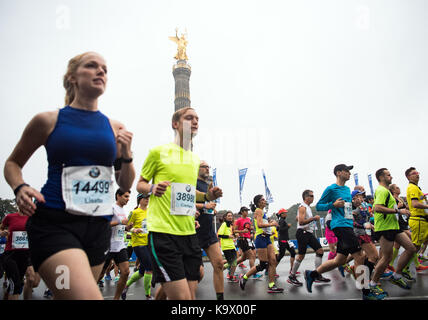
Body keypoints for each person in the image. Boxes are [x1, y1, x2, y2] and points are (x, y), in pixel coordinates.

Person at [3, 52, 136, 299]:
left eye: (105, 69)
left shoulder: (115, 127)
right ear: (72, 77)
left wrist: (126, 154)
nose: (101, 72)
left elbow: (125, 183)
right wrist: (19, 187)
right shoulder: (48, 121)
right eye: (92, 66)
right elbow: (12, 163)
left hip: (98, 228)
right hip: (55, 223)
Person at [136, 107, 222, 300]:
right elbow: (140, 184)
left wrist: (208, 196)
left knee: (190, 296)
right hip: (164, 234)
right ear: (175, 124)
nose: (195, 121)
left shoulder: (193, 159)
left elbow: (191, 194)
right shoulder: (158, 152)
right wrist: (152, 188)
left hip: (189, 234)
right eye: (189, 118)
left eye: (197, 118)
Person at [306, 164, 381, 300]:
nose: (349, 174)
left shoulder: (347, 189)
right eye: (347, 171)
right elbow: (319, 206)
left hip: (348, 224)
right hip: (340, 226)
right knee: (360, 256)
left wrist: (354, 205)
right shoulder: (331, 189)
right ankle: (366, 292)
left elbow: (347, 207)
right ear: (339, 173)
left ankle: (312, 274)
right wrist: (333, 205)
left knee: (339, 260)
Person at [369, 168, 416, 292]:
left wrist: (401, 212)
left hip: (394, 227)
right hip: (385, 228)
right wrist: (398, 210)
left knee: (411, 248)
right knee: (386, 258)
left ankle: (397, 275)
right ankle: (373, 284)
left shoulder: (386, 191)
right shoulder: (381, 190)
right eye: (388, 175)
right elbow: (377, 208)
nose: (391, 177)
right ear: (381, 177)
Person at [239, 195, 284, 293]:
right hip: (261, 238)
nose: (265, 200)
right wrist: (271, 224)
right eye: (263, 199)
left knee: (272, 261)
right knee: (263, 264)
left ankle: (271, 285)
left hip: (267, 238)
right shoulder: (258, 211)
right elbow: (259, 224)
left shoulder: (262, 211)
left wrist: (270, 221)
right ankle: (244, 277)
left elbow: (263, 223)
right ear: (259, 202)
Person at [194, 160, 225, 300]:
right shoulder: (191, 183)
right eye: (204, 166)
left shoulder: (208, 186)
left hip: (209, 232)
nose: (207, 169)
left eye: (208, 167)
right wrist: (204, 206)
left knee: (219, 264)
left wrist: (212, 207)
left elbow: (208, 204)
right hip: (193, 231)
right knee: (197, 273)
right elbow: (185, 203)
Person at [289, 190, 329, 287]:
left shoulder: (307, 208)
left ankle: (317, 274)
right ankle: (292, 276)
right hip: (302, 233)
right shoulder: (303, 207)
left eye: (313, 195)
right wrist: (313, 218)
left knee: (320, 251)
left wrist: (299, 218)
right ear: (306, 197)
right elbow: (302, 222)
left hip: (308, 233)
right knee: (301, 256)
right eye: (311, 196)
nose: (313, 197)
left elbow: (298, 219)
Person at [97, 189, 131, 300]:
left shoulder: (123, 210)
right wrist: (120, 222)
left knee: (126, 272)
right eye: (126, 196)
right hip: (108, 246)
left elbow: (122, 227)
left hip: (120, 246)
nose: (128, 199)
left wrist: (129, 228)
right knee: (100, 274)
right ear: (118, 196)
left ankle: (116, 298)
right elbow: (105, 224)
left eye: (129, 196)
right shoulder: (111, 208)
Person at [0, 210, 40, 300]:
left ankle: (7, 295)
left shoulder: (33, 218)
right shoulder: (10, 217)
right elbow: (1, 228)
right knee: (16, 285)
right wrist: (1, 233)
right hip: (11, 254)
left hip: (26, 255)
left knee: (27, 281)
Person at [121, 193, 153, 300]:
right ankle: (148, 295)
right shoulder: (134, 212)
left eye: (148, 198)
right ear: (139, 200)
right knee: (150, 268)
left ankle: (126, 286)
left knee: (141, 272)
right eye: (145, 198)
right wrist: (134, 229)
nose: (147, 200)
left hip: (148, 243)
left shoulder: (151, 211)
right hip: (138, 244)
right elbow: (126, 227)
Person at [351, 190, 380, 292]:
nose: (361, 198)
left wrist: (371, 225)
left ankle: (362, 282)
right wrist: (363, 225)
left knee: (362, 258)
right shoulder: (352, 208)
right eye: (359, 196)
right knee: (373, 256)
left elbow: (365, 220)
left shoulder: (362, 206)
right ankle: (365, 282)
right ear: (353, 198)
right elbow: (351, 221)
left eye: (362, 196)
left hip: (363, 233)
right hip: (359, 234)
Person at [387, 184, 413, 276]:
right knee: (413, 244)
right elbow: (393, 210)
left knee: (397, 246)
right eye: (397, 187)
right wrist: (398, 206)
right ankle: (414, 266)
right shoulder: (392, 199)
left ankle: (390, 264)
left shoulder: (400, 199)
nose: (399, 188)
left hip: (404, 223)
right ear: (393, 190)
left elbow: (406, 209)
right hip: (399, 224)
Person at [405, 167, 428, 273]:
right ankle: (404, 269)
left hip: (422, 220)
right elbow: (414, 204)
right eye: (414, 173)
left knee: (416, 246)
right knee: (414, 247)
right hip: (418, 220)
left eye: (417, 172)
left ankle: (407, 267)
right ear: (408, 177)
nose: (417, 174)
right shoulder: (412, 188)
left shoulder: (416, 187)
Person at [235, 207, 259, 278]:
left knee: (243, 258)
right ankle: (253, 274)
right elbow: (234, 231)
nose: (247, 212)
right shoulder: (238, 220)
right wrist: (242, 231)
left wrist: (252, 230)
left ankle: (230, 266)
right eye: (245, 211)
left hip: (249, 239)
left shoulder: (249, 219)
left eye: (247, 211)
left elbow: (251, 227)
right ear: (242, 212)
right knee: (251, 256)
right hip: (242, 239)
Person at [217, 211, 238, 283]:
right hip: (226, 246)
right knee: (230, 262)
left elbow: (231, 235)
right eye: (229, 216)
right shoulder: (224, 224)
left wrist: (234, 236)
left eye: (231, 216)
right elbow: (219, 235)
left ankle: (231, 277)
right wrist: (228, 236)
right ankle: (218, 271)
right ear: (225, 217)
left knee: (235, 262)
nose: (230, 217)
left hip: (232, 245)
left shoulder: (230, 225)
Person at [275, 209, 296, 277]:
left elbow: (277, 228)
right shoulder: (281, 220)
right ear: (281, 214)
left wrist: (286, 227)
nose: (286, 214)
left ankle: (292, 269)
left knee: (293, 252)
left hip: (286, 240)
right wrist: (288, 226)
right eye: (285, 213)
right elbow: (280, 230)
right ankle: (272, 270)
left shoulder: (281, 220)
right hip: (282, 240)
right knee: (281, 255)